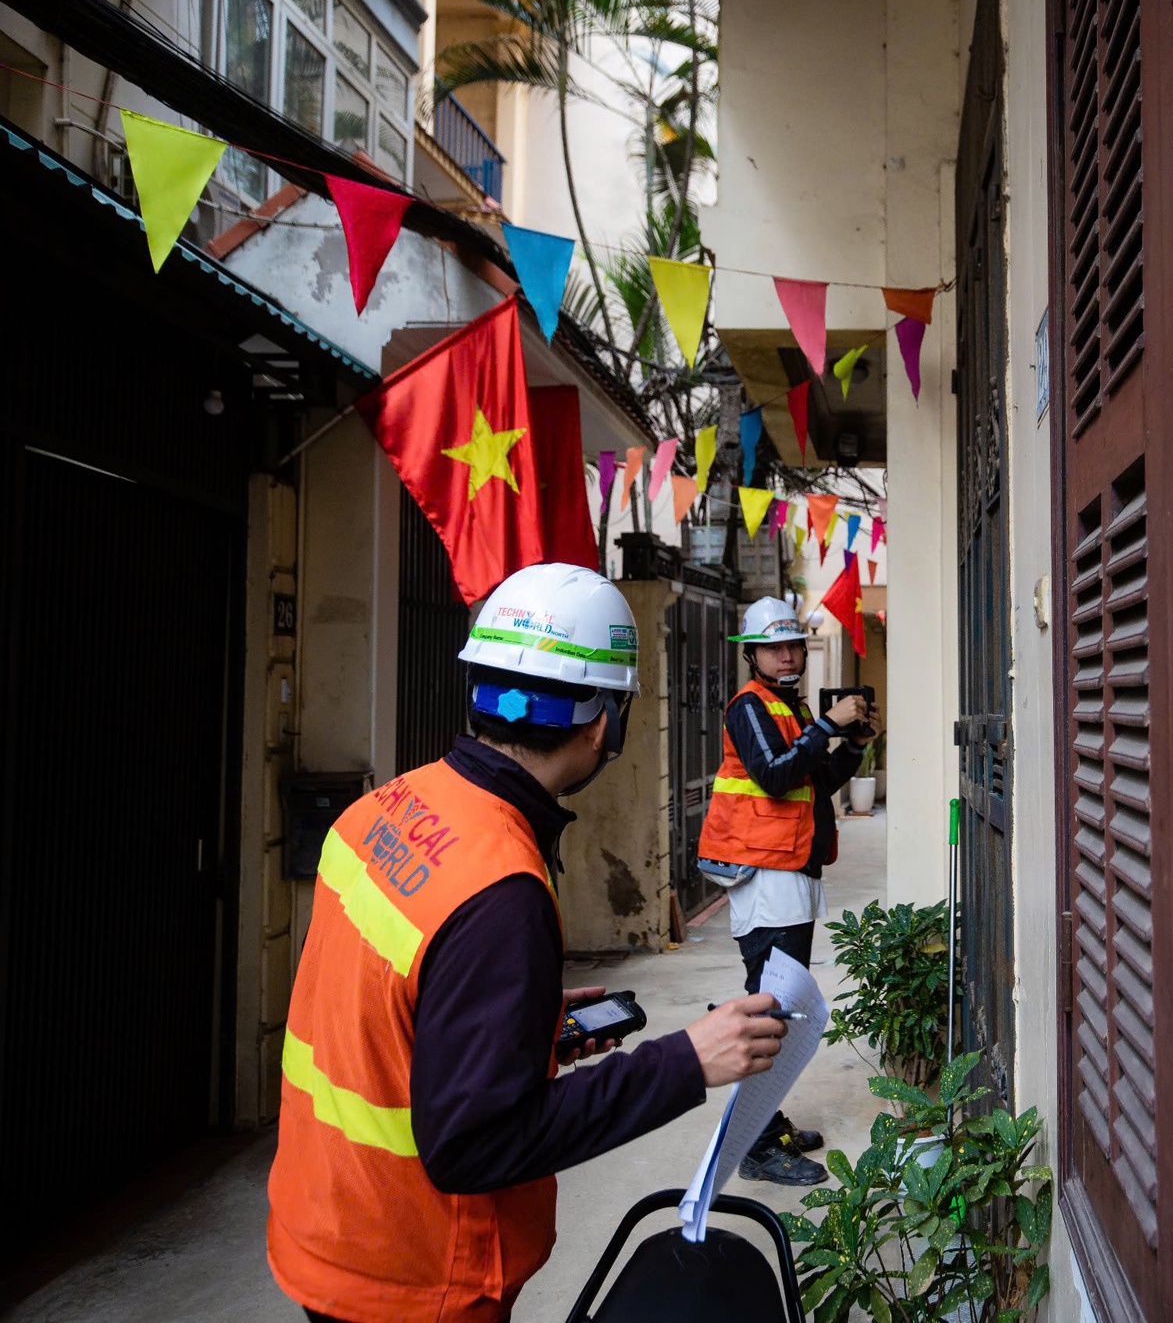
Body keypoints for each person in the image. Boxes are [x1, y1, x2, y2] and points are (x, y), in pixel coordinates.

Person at [267, 563, 789, 1323]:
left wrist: (519, 1021)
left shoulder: (383, 807)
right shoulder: (500, 891)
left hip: (329, 1225)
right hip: (416, 1276)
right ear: (605, 722)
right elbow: (475, 1145)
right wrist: (685, 1061)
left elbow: (395, 1011)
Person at [697, 595, 875, 1186]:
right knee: (769, 1006)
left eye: (794, 644)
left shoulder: (786, 706)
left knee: (782, 1002)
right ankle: (755, 1145)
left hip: (789, 870)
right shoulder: (750, 706)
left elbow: (815, 779)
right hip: (766, 874)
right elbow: (775, 775)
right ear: (753, 655)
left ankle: (766, 1126)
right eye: (775, 647)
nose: (788, 654)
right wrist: (828, 724)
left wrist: (853, 743)